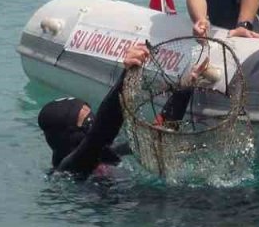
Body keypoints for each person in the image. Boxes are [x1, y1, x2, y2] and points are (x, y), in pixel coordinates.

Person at [38, 42, 205, 178]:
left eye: (91, 114)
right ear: (68, 135)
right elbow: (101, 133)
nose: (92, 120)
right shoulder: (70, 168)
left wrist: (184, 89)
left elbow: (157, 136)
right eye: (86, 120)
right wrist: (127, 74)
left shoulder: (109, 153)